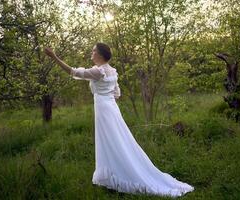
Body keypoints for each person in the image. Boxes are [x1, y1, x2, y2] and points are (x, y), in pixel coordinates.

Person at [44, 42, 195, 198]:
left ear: (100, 55)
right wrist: (107, 100)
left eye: (94, 51)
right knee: (115, 140)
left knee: (110, 141)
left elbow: (73, 71)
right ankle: (111, 175)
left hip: (104, 109)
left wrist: (54, 56)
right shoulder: (112, 72)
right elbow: (117, 94)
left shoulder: (99, 71)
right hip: (110, 108)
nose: (91, 53)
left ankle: (119, 175)